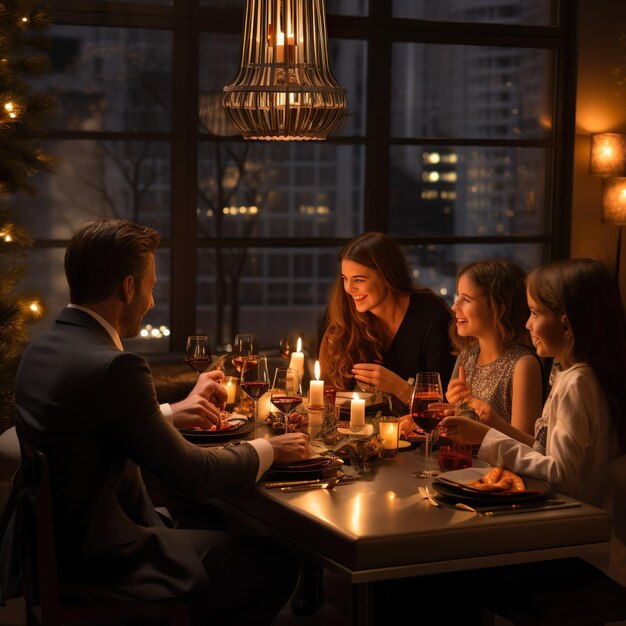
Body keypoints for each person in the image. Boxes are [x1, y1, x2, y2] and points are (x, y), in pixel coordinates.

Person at [0, 219, 310, 625]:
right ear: (128, 288)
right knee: (274, 561)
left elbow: (86, 428)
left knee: (208, 519)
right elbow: (194, 475)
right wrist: (270, 448)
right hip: (104, 562)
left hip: (49, 555)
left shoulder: (43, 349)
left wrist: (170, 412)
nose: (151, 300)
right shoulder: (115, 367)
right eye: (151, 287)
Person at [440, 257, 626, 586]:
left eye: (536, 314)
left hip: (574, 547)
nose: (527, 324)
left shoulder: (577, 384)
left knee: (457, 567)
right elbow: (545, 450)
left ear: (567, 325)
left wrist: (485, 439)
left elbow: (561, 473)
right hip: (575, 533)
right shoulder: (575, 375)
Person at [319, 232, 455, 409]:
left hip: (416, 434)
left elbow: (440, 406)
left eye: (359, 279)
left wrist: (397, 386)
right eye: (345, 279)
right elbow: (324, 391)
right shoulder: (341, 314)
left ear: (387, 275)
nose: (349, 289)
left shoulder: (431, 315)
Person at [445, 259, 543, 443]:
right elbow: (457, 428)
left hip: (502, 470)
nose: (454, 307)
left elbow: (530, 448)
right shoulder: (466, 356)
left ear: (497, 307)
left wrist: (493, 422)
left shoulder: (523, 364)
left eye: (465, 299)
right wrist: (451, 406)